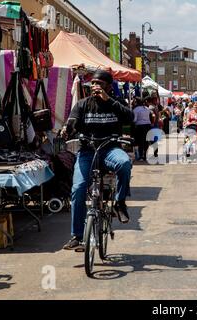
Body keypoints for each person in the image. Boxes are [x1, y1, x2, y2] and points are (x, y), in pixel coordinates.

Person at [61, 70, 133, 251]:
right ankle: (77, 236)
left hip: (110, 149)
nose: (95, 86)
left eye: (99, 83)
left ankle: (120, 203)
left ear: (109, 86)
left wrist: (108, 100)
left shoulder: (116, 103)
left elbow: (129, 117)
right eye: (93, 83)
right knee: (78, 189)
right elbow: (72, 122)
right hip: (87, 151)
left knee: (124, 164)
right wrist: (66, 129)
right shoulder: (83, 104)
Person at [133, 97, 152, 161]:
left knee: (140, 141)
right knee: (146, 141)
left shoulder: (136, 109)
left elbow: (134, 120)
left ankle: (141, 156)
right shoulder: (147, 109)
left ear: (137, 102)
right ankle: (145, 156)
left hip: (140, 126)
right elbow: (150, 117)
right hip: (148, 126)